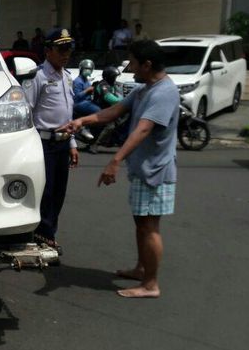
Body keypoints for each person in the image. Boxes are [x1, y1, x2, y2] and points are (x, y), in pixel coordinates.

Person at [57, 40, 180, 298]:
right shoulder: (145, 88)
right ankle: (141, 269)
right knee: (141, 223)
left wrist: (115, 161)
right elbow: (114, 111)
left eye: (133, 63)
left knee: (149, 226)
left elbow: (143, 129)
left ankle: (151, 284)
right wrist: (81, 120)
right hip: (144, 168)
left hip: (155, 171)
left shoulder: (163, 92)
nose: (129, 68)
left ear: (147, 65)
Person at [22, 28, 79, 254]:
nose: (66, 54)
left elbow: (68, 114)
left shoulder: (67, 77)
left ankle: (47, 232)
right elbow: (27, 112)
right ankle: (44, 235)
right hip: (43, 143)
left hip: (63, 142)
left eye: (69, 49)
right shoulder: (37, 77)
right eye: (61, 49)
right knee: (45, 192)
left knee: (59, 192)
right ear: (48, 51)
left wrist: (73, 144)